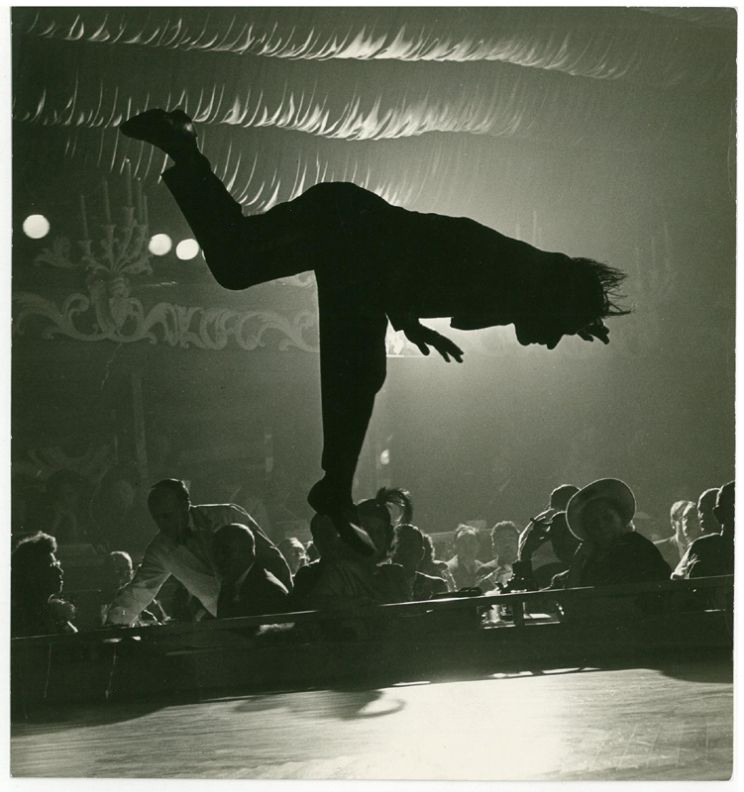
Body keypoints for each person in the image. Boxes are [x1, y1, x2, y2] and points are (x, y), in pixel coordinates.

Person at [119, 108, 627, 556]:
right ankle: (183, 144)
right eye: (558, 330)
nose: (550, 341)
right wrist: (408, 319)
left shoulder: (525, 283)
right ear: (552, 301)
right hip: (348, 231)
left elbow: (441, 268)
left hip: (355, 254)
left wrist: (576, 319)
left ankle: (335, 486)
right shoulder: (508, 273)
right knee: (326, 341)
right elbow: (423, 251)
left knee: (263, 289)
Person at [105, 478, 291, 626]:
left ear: (185, 506)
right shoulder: (160, 549)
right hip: (224, 624)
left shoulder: (228, 516)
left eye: (167, 516)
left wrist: (294, 606)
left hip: (270, 612)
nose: (162, 524)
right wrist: (111, 628)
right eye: (156, 517)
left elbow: (274, 560)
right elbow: (138, 592)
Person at [552, 478, 670, 589]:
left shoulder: (638, 547)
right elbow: (571, 597)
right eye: (594, 522)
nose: (602, 525)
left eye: (607, 518)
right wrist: (578, 559)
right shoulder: (591, 554)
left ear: (620, 517)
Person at [213, 523, 290, 618]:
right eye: (215, 551)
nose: (219, 558)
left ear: (248, 552)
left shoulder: (270, 591)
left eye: (226, 551)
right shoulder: (230, 585)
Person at [11, 532, 77, 637]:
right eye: (52, 566)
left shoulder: (50, 612)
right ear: (31, 574)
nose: (60, 571)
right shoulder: (24, 618)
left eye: (58, 565)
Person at [515, 484, 581, 589]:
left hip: (533, 575)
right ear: (572, 500)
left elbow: (522, 556)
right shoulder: (567, 518)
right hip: (556, 571)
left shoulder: (534, 523)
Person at [673, 481, 734, 579]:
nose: (701, 516)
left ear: (718, 512)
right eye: (700, 511)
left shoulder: (702, 546)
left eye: (707, 510)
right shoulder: (700, 544)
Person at [387, 523, 448, 600]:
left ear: (421, 553)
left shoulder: (436, 586)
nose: (405, 553)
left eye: (410, 547)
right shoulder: (378, 586)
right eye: (400, 548)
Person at [655, 500, 700, 569]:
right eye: (684, 517)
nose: (688, 522)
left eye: (693, 517)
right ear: (673, 522)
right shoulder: (658, 549)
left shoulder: (704, 547)